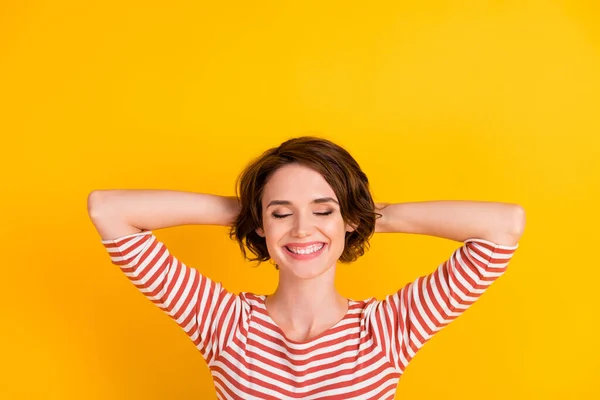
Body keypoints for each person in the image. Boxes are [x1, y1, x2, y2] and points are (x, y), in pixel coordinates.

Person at [87, 136, 525, 400]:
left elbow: (504, 226)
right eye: (281, 214)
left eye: (322, 210)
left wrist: (362, 215)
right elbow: (108, 210)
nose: (302, 229)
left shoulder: (387, 330)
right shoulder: (225, 323)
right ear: (261, 225)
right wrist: (252, 212)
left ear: (349, 218)